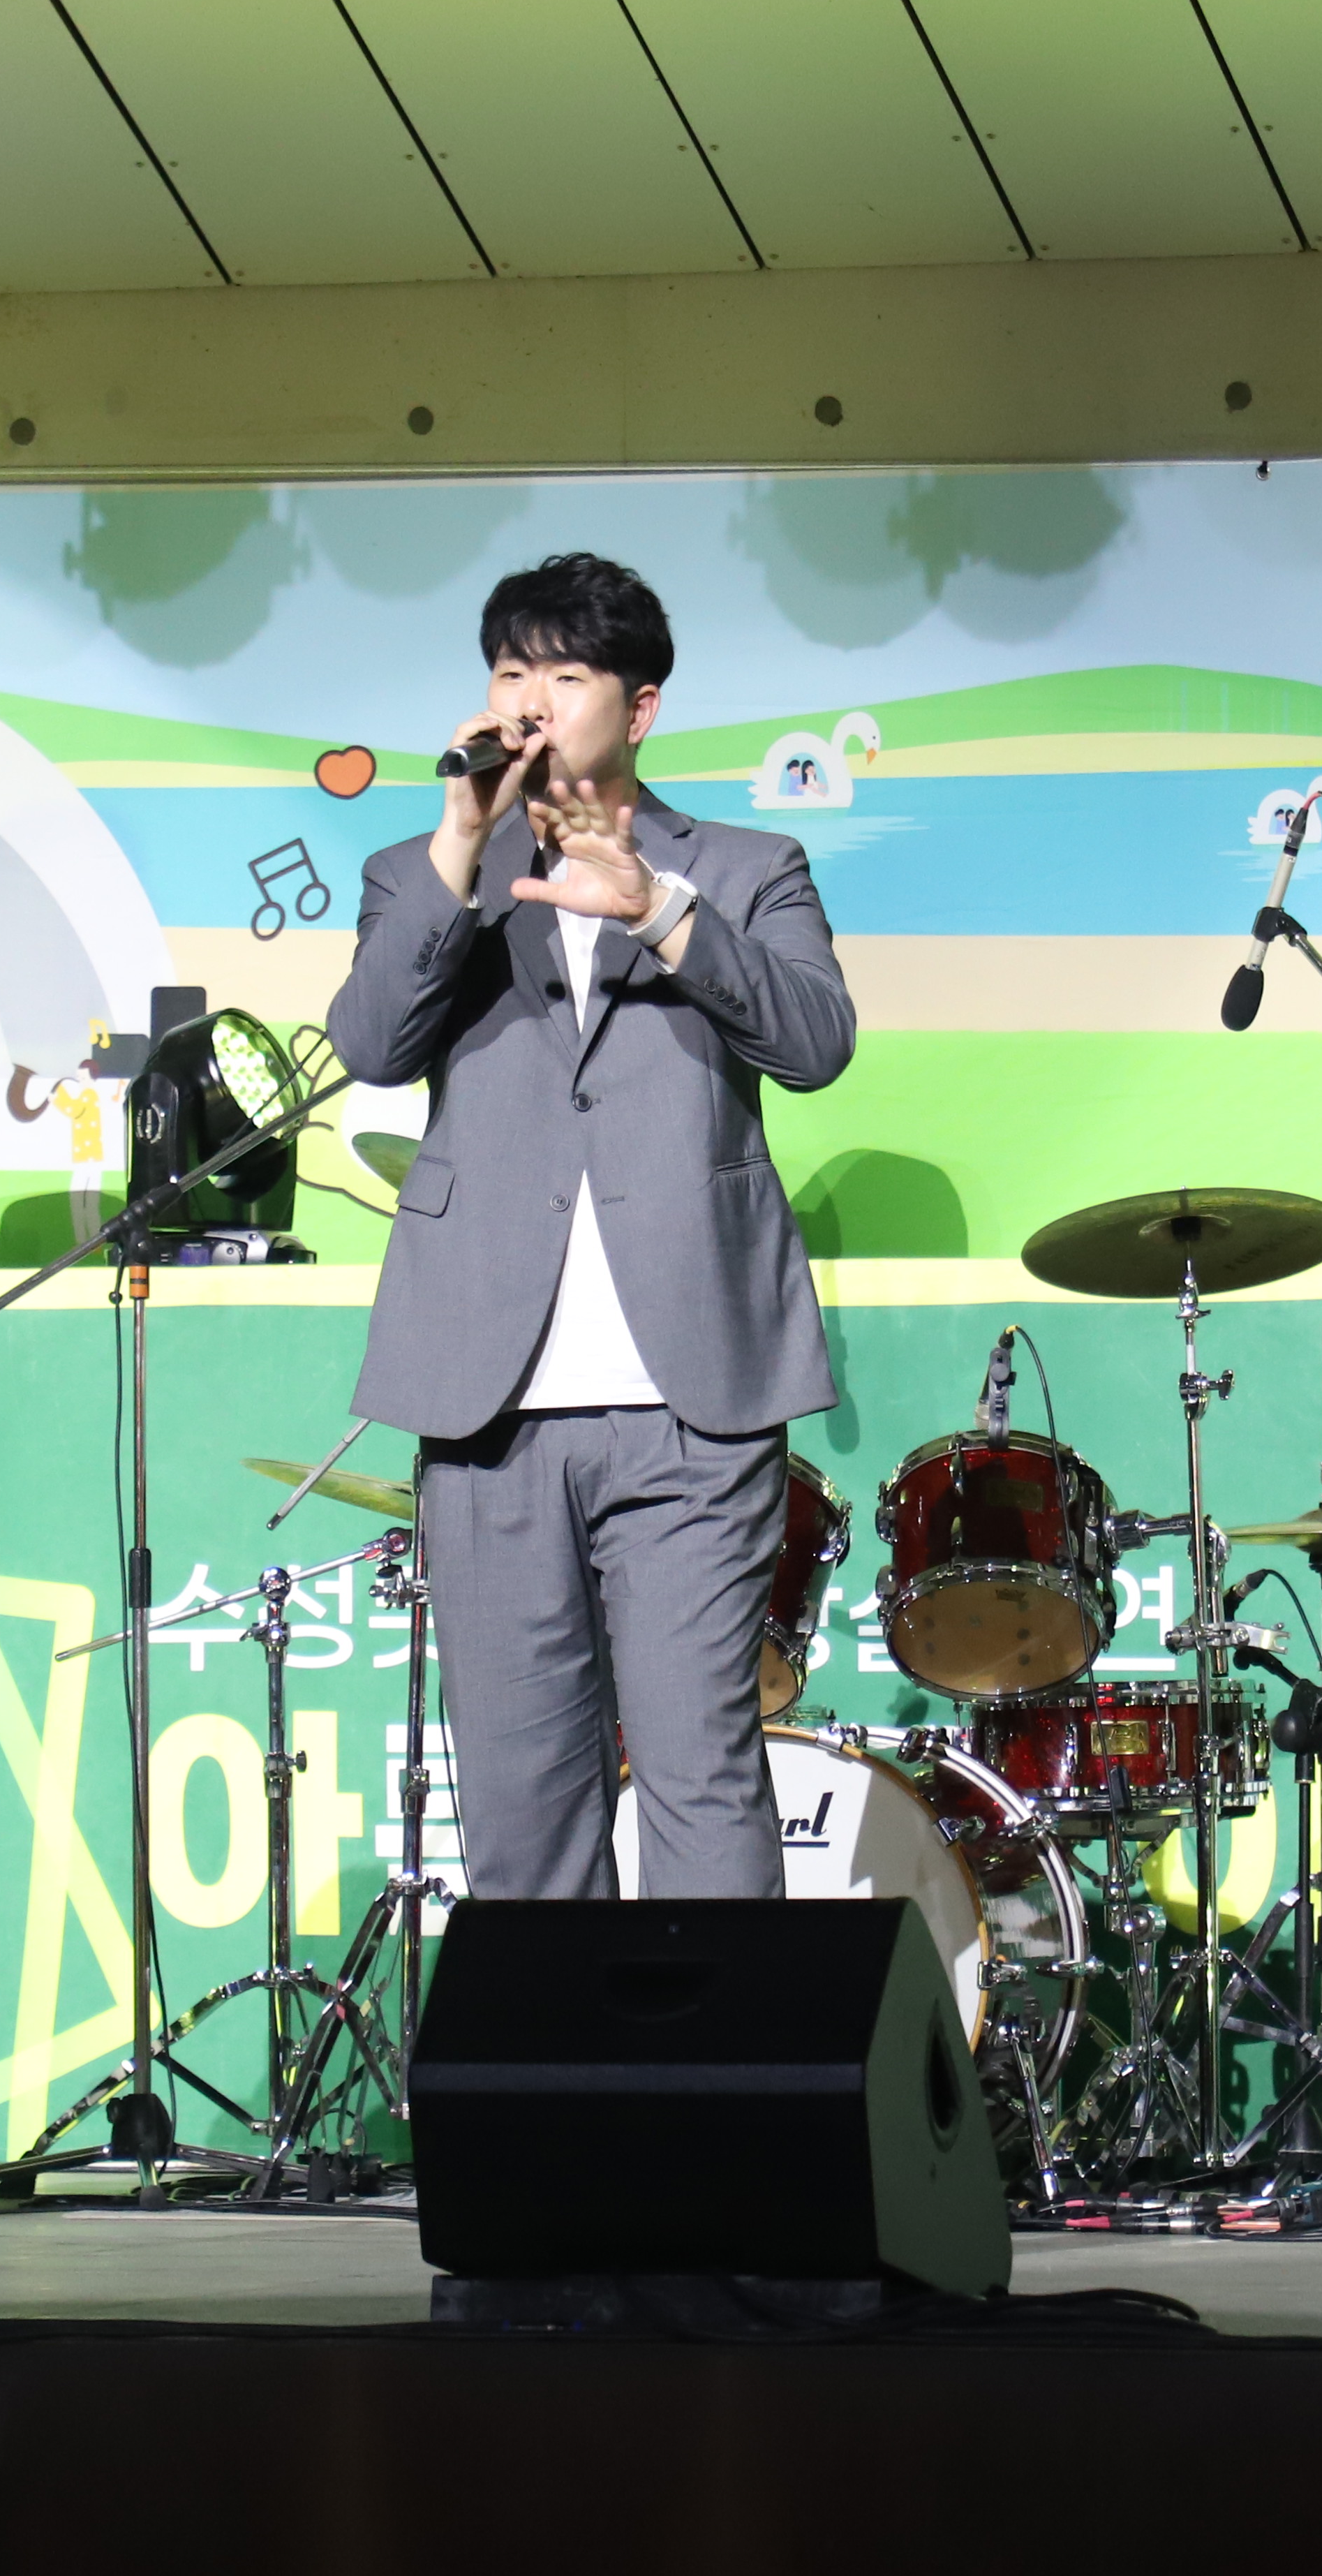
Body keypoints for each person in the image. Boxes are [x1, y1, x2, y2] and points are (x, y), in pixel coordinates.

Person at [327, 553, 856, 1901]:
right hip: (487, 1403)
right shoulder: (421, 872)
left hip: (693, 1399)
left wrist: (662, 913)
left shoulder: (745, 867)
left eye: (566, 674)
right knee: (521, 1807)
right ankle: (555, 2054)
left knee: (700, 1773)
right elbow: (372, 1046)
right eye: (512, 672)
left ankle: (716, 2049)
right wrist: (461, 843)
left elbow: (815, 1044)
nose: (533, 701)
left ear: (641, 706)